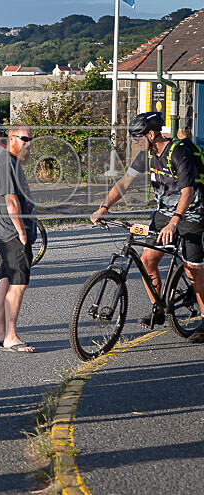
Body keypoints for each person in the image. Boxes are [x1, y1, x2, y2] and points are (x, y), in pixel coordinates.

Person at [92, 112, 204, 343]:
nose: (135, 142)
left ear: (151, 134)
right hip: (164, 213)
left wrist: (174, 223)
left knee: (193, 270)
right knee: (147, 259)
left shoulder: (178, 153)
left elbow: (188, 192)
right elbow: (125, 182)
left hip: (192, 213)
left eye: (137, 137)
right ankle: (157, 307)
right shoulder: (147, 155)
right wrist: (104, 207)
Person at [0, 123, 37, 353]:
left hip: (2, 232)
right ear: (12, 139)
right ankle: (10, 336)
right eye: (24, 139)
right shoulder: (7, 162)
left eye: (31, 139)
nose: (29, 143)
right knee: (18, 283)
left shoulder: (9, 162)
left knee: (5, 280)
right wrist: (22, 232)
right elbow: (11, 201)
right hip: (11, 233)